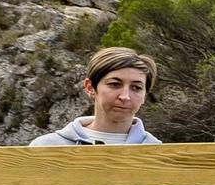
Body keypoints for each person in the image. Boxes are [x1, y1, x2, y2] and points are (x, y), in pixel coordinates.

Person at [31, 46, 162, 145]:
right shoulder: (45, 147)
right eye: (115, 84)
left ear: (145, 95)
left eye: (136, 88)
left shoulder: (161, 154)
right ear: (90, 87)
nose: (125, 96)